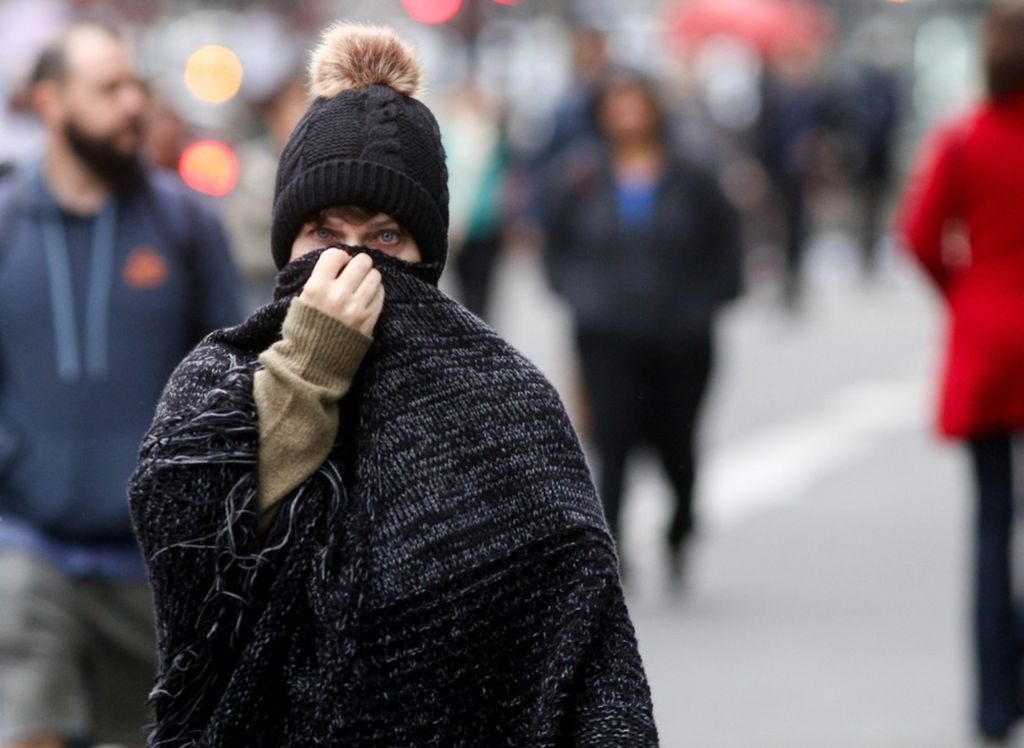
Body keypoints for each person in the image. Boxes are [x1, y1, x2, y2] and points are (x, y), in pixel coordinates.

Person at [129, 23, 658, 746]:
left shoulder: (505, 401)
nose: (350, 263)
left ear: (423, 253)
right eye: (323, 233)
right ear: (289, 242)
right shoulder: (216, 387)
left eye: (383, 239)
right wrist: (308, 370)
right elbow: (198, 579)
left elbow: (583, 639)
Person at [0, 21, 242, 748]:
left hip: (156, 569)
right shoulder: (6, 225)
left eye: (136, 85)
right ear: (51, 102)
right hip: (30, 548)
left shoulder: (186, 223)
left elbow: (231, 373)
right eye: (109, 88)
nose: (134, 103)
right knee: (29, 727)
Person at [541, 70, 743, 584]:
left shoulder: (693, 176)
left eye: (637, 104)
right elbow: (555, 248)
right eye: (618, 104)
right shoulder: (582, 176)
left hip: (683, 339)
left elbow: (728, 248)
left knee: (678, 442)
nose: (628, 115)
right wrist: (582, 299)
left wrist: (705, 305)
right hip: (608, 338)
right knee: (613, 442)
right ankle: (613, 551)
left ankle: (681, 525)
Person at [898, 0, 1024, 741]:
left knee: (989, 526)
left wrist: (965, 294)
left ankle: (991, 700)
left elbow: (917, 234)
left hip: (985, 343)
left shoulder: (963, 137)